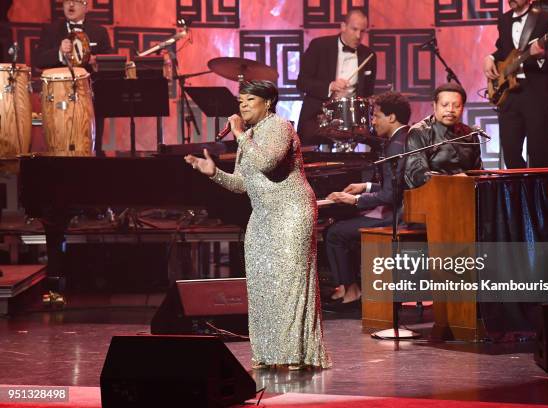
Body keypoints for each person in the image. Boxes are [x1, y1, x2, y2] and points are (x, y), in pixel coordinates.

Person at [185, 80, 331, 370]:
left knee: (289, 283)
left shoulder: (280, 128)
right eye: (240, 100)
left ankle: (294, 354)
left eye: (250, 99)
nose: (243, 105)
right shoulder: (249, 137)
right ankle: (268, 354)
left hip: (291, 213)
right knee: (263, 286)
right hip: (262, 216)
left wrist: (239, 134)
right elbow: (242, 184)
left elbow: (267, 164)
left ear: (268, 103)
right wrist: (214, 173)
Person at [324, 92, 412, 305]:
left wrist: (354, 200)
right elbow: (397, 185)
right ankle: (348, 286)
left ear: (391, 118)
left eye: (376, 116)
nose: (373, 121)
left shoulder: (396, 145)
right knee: (339, 229)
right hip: (400, 209)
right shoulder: (405, 138)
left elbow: (391, 194)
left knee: (335, 233)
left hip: (399, 216)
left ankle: (352, 290)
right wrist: (367, 186)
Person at [483, 0, 548, 168]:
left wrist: (540, 55)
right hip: (509, 92)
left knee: (538, 151)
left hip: (535, 92)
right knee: (510, 150)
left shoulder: (545, 18)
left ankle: (540, 192)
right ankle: (520, 190)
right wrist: (490, 58)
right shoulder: (504, 19)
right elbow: (503, 49)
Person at [33, 0, 112, 154]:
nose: (70, 5)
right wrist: (59, 52)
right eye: (67, 1)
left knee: (91, 143)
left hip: (91, 96)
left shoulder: (99, 31)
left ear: (85, 6)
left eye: (76, 1)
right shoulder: (50, 30)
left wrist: (97, 62)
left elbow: (111, 62)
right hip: (58, 96)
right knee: (60, 142)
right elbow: (39, 61)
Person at [296, 9, 376, 145]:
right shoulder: (319, 46)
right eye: (354, 29)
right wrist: (330, 86)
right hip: (317, 117)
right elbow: (302, 82)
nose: (358, 36)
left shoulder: (369, 56)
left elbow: (368, 93)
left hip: (351, 123)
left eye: (362, 31)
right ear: (343, 26)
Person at [404, 83, 483, 189]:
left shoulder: (470, 134)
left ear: (463, 107)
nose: (450, 110)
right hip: (431, 197)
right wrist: (452, 180)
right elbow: (417, 175)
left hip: (466, 195)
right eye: (445, 105)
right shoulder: (419, 132)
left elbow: (478, 172)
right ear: (435, 105)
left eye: (457, 106)